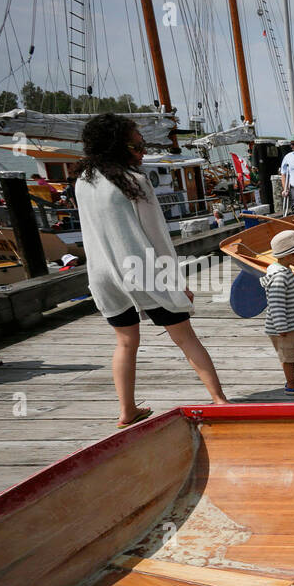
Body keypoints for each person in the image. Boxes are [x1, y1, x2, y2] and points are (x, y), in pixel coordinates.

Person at [73, 113, 228, 427]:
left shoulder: (82, 181)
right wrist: (175, 282)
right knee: (185, 337)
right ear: (119, 146)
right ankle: (219, 400)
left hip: (103, 275)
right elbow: (158, 237)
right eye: (137, 145)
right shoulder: (134, 181)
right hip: (140, 269)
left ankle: (127, 410)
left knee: (126, 342)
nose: (142, 151)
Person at [261, 229, 294, 396]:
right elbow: (276, 304)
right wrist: (281, 326)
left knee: (290, 354)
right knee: (288, 356)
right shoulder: (280, 277)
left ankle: (293, 380)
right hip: (284, 327)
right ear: (288, 256)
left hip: (287, 325)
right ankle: (291, 385)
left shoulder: (281, 271)